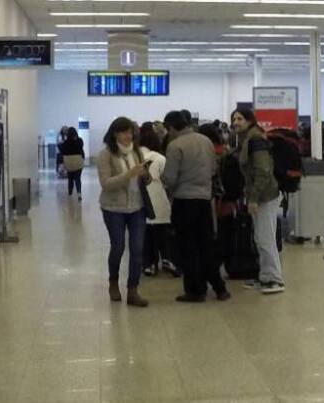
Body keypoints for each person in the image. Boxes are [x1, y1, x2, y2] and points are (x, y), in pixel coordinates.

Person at [161, 111, 229, 303]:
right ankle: (219, 287)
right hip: (204, 201)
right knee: (206, 244)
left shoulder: (175, 146)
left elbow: (170, 178)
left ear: (172, 127)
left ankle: (195, 290)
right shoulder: (205, 141)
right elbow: (214, 169)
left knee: (188, 247)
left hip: (184, 201)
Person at [95, 117, 152, 307]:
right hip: (113, 208)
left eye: (131, 132)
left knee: (137, 249)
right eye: (125, 132)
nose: (129, 136)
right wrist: (129, 174)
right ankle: (113, 282)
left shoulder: (137, 152)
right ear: (114, 134)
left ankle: (133, 290)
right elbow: (106, 184)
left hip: (137, 207)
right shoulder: (105, 155)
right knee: (118, 247)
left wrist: (146, 175)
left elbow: (145, 179)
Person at [231, 108, 285, 294]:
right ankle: (265, 276)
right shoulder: (247, 139)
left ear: (249, 120)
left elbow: (263, 171)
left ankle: (275, 279)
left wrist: (253, 198)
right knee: (260, 237)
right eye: (234, 119)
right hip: (259, 194)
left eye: (240, 119)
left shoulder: (256, 140)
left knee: (266, 238)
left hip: (265, 196)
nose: (236, 122)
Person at [138, 122, 178, 278]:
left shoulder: (134, 157)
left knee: (146, 234)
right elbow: (168, 180)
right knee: (162, 232)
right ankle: (167, 258)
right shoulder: (160, 158)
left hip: (141, 200)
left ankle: (149, 264)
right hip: (159, 199)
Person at [58, 126, 86, 201]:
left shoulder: (65, 143)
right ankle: (79, 194)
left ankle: (70, 193)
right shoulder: (80, 141)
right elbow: (81, 148)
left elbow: (62, 151)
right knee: (77, 178)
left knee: (70, 178)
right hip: (78, 161)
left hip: (68, 162)